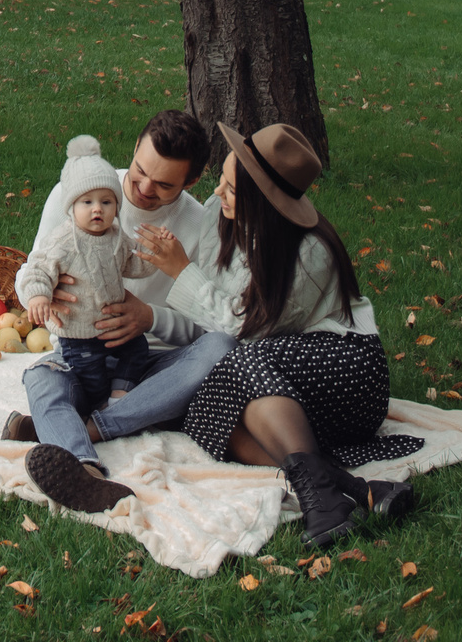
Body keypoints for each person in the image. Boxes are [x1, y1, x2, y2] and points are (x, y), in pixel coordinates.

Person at [132, 122, 422, 546]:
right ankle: (345, 491)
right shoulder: (222, 217)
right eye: (223, 181)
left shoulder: (309, 254)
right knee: (203, 412)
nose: (216, 195)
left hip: (345, 375)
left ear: (262, 200)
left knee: (239, 362)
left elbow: (248, 332)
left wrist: (181, 272)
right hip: (272, 385)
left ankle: (325, 493)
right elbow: (226, 327)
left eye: (230, 189)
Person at [3, 111, 234, 513]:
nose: (143, 189)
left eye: (164, 185)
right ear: (135, 149)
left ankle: (81, 429)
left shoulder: (199, 225)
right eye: (141, 170)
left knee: (221, 348)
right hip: (77, 352)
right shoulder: (79, 191)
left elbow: (211, 325)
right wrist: (42, 296)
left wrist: (152, 317)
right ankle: (86, 471)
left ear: (191, 181)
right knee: (41, 377)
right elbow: (32, 270)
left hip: (149, 366)